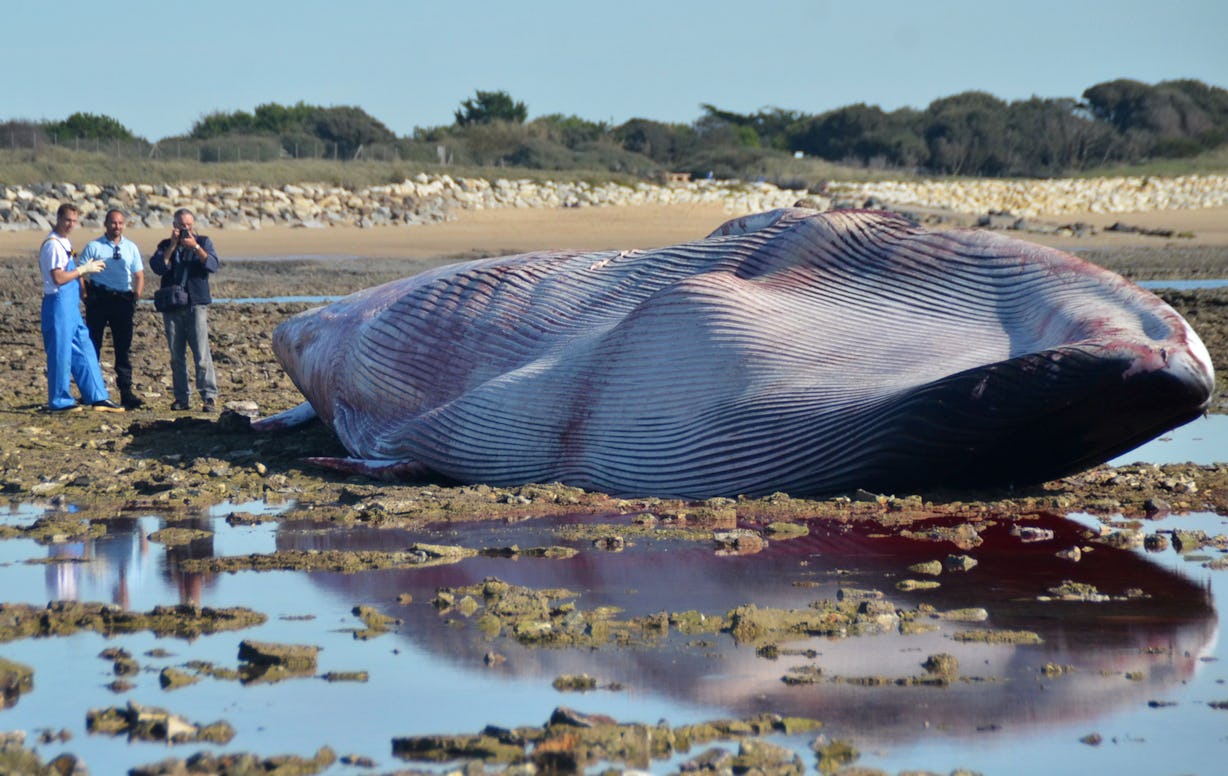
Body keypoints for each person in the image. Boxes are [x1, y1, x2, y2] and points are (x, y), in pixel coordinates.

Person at [38, 203, 125, 413]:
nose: (71, 225)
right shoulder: (52, 245)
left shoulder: (64, 242)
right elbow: (58, 277)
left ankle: (97, 396)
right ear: (58, 218)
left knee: (85, 348)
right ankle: (59, 401)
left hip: (71, 306)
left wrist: (82, 288)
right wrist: (83, 269)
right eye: (67, 220)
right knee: (60, 352)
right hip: (57, 304)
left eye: (74, 221)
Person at [149, 208, 220, 411]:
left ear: (193, 225)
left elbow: (213, 265)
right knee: (176, 356)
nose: (185, 229)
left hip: (195, 304)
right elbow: (158, 267)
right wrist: (172, 246)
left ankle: (208, 396)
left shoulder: (204, 242)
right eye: (181, 226)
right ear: (174, 226)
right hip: (172, 306)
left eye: (188, 225)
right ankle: (182, 398)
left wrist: (196, 247)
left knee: (201, 353)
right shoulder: (165, 245)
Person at [79, 209, 145, 408]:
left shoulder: (131, 247)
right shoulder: (94, 246)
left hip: (123, 300)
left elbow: (139, 275)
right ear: (106, 224)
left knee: (123, 349)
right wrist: (84, 296)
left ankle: (126, 392)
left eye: (120, 223)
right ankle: (90, 392)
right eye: (113, 223)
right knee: (93, 347)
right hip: (99, 299)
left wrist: (136, 297)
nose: (117, 226)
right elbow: (80, 272)